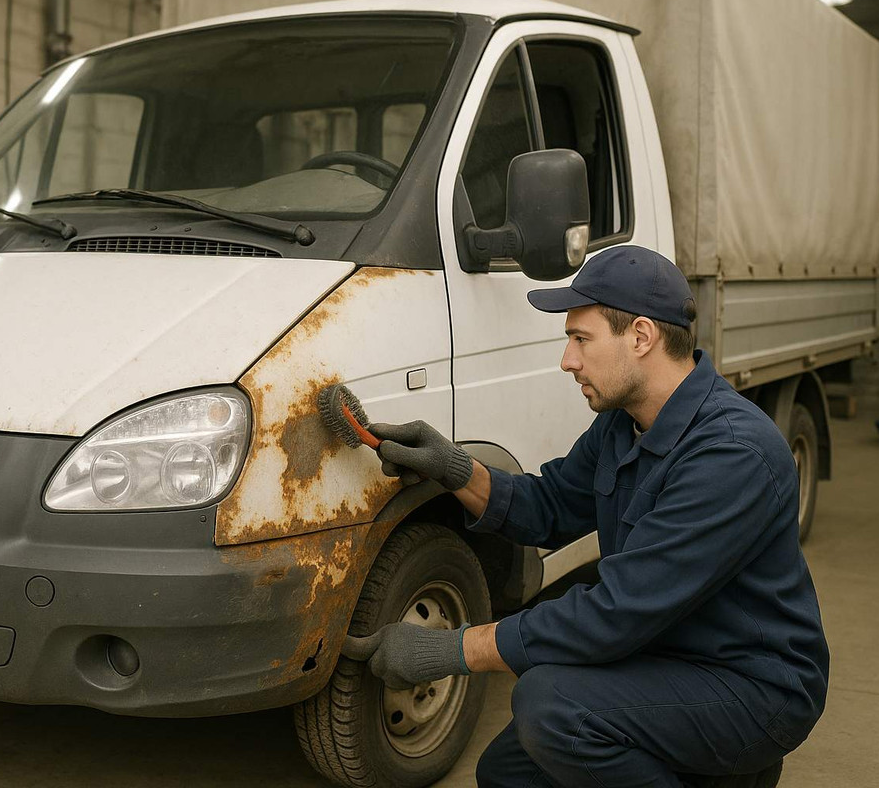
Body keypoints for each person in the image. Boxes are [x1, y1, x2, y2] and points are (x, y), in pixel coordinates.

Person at [343, 245, 828, 788]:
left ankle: (734, 763)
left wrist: (454, 648)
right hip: (667, 651)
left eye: (581, 339)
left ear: (641, 337)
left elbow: (616, 614)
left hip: (750, 687)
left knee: (552, 708)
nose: (567, 360)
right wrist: (455, 469)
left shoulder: (732, 455)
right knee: (507, 773)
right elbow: (549, 506)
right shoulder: (625, 423)